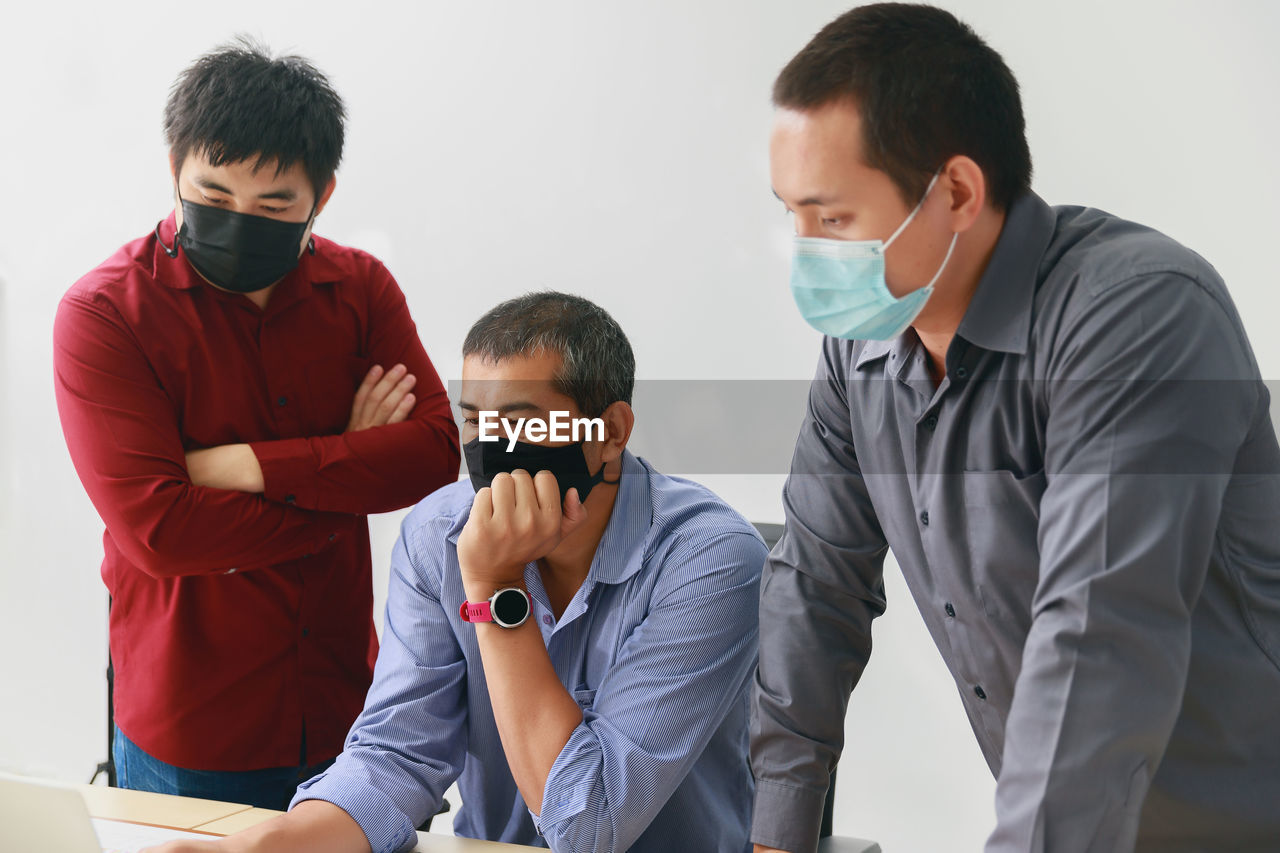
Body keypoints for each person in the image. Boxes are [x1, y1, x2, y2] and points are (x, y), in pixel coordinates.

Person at [750, 5, 1280, 853]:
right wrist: (777, 835)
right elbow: (815, 586)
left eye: (834, 219)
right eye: (792, 216)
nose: (805, 251)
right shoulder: (861, 355)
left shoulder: (1136, 314)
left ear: (956, 192)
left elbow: (1098, 636)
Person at [144, 291, 765, 853]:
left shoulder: (709, 558)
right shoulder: (438, 533)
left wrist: (495, 590)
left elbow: (589, 825)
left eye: (520, 423)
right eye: (474, 421)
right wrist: (264, 847)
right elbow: (395, 754)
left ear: (610, 433)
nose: (492, 448)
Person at [52, 38, 460, 810]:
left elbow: (436, 454)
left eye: (274, 205)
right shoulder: (106, 314)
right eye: (213, 194)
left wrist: (242, 465)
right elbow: (161, 531)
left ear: (323, 195)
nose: (241, 221)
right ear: (174, 167)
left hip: (349, 709)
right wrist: (345, 469)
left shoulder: (361, 289)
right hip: (195, 723)